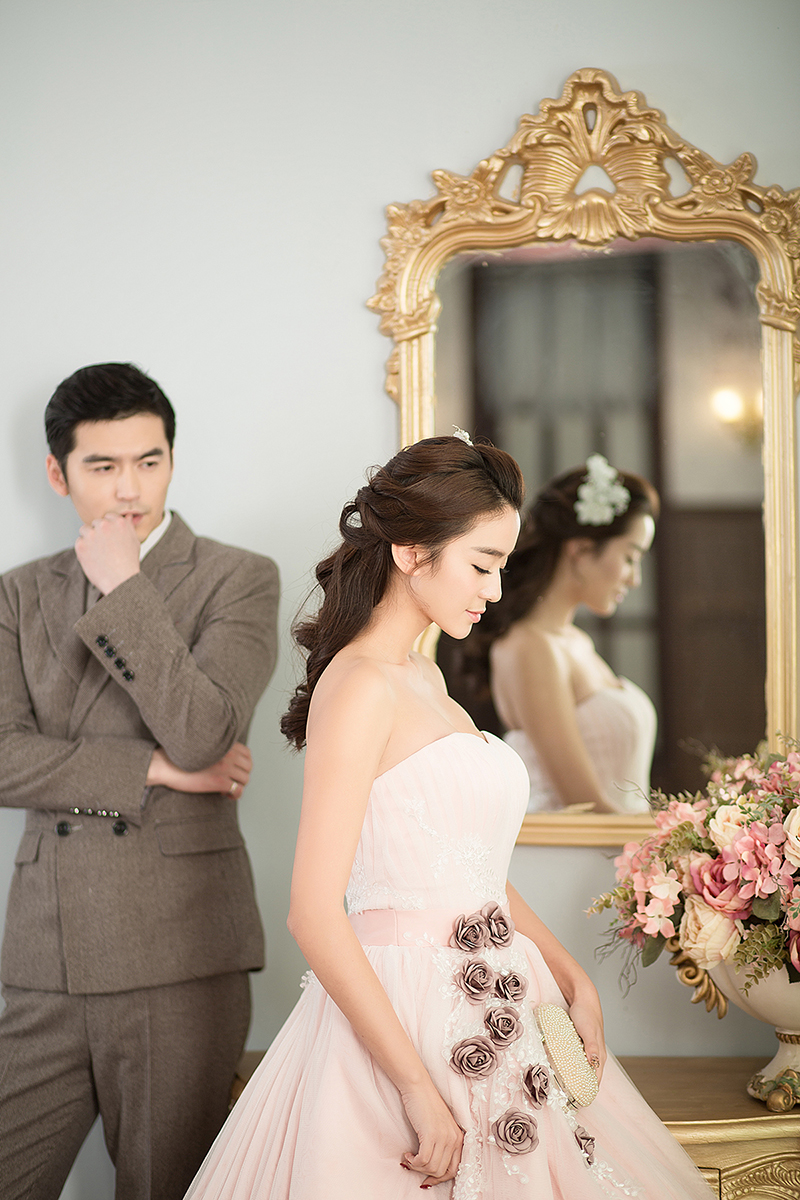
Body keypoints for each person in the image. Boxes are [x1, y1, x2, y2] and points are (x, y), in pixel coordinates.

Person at [183, 434, 712, 1199]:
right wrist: (414, 1087)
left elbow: (473, 871)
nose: (495, 590)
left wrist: (571, 976)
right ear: (410, 552)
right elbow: (312, 913)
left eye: (501, 567)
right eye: (482, 564)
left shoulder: (424, 675)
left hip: (505, 998)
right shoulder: (359, 686)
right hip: (406, 1012)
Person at [0, 363, 279, 1200]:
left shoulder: (237, 576)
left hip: (177, 947)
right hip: (44, 948)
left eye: (149, 462)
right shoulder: (18, 594)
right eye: (103, 466)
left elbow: (203, 732)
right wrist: (153, 769)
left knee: (164, 1187)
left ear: (171, 460)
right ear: (58, 475)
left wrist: (124, 584)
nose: (130, 488)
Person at [482, 454, 658, 814]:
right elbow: (583, 804)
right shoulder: (530, 648)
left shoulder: (576, 642)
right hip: (576, 847)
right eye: (630, 557)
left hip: (620, 843)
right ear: (580, 550)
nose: (635, 579)